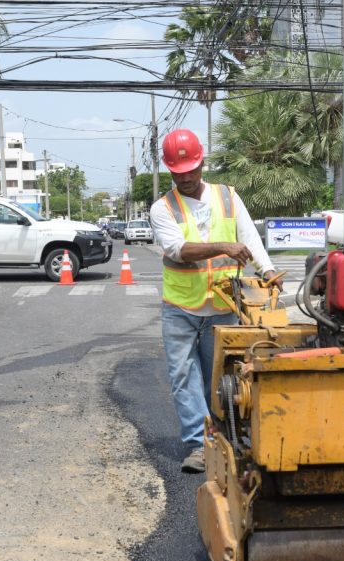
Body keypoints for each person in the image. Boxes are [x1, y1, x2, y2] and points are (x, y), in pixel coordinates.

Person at [149, 128, 279, 473]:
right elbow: (179, 250)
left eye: (192, 168)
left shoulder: (227, 197)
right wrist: (224, 247)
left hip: (223, 307)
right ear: (169, 170)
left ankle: (222, 439)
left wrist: (266, 270)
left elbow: (249, 235)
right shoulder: (162, 209)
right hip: (180, 307)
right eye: (179, 172)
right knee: (182, 376)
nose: (187, 177)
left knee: (218, 380)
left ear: (202, 161)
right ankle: (197, 444)